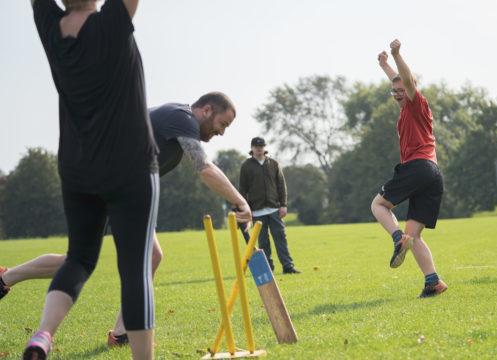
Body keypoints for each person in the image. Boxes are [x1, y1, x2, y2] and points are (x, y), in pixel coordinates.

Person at [1, 92, 251, 349]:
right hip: (109, 186)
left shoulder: (176, 116)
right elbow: (205, 168)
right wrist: (241, 201)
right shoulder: (184, 118)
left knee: (141, 257)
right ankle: (8, 280)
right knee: (79, 261)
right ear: (207, 110)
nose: (221, 132)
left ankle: (121, 332)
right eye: (223, 124)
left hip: (122, 190)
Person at [24, 0, 159, 358]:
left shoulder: (50, 27)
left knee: (79, 258)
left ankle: (43, 334)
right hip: (129, 164)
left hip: (77, 167)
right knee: (134, 270)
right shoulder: (113, 20)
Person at [371, 39, 448, 299]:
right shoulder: (404, 107)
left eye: (400, 91)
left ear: (411, 88)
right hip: (433, 174)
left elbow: (406, 81)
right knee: (413, 235)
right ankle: (433, 282)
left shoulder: (417, 104)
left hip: (418, 167)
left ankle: (396, 239)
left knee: (378, 206)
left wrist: (397, 54)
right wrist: (385, 65)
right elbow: (399, 81)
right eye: (393, 92)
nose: (396, 94)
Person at [239, 137, 300, 274]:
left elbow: (281, 185)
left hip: (274, 209)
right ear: (252, 148)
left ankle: (288, 266)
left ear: (265, 148)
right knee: (263, 242)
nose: (259, 148)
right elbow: (242, 190)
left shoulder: (273, 164)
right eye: (256, 146)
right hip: (257, 211)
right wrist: (245, 209)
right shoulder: (246, 166)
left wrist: (283, 205)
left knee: (280, 238)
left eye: (261, 146)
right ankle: (268, 269)